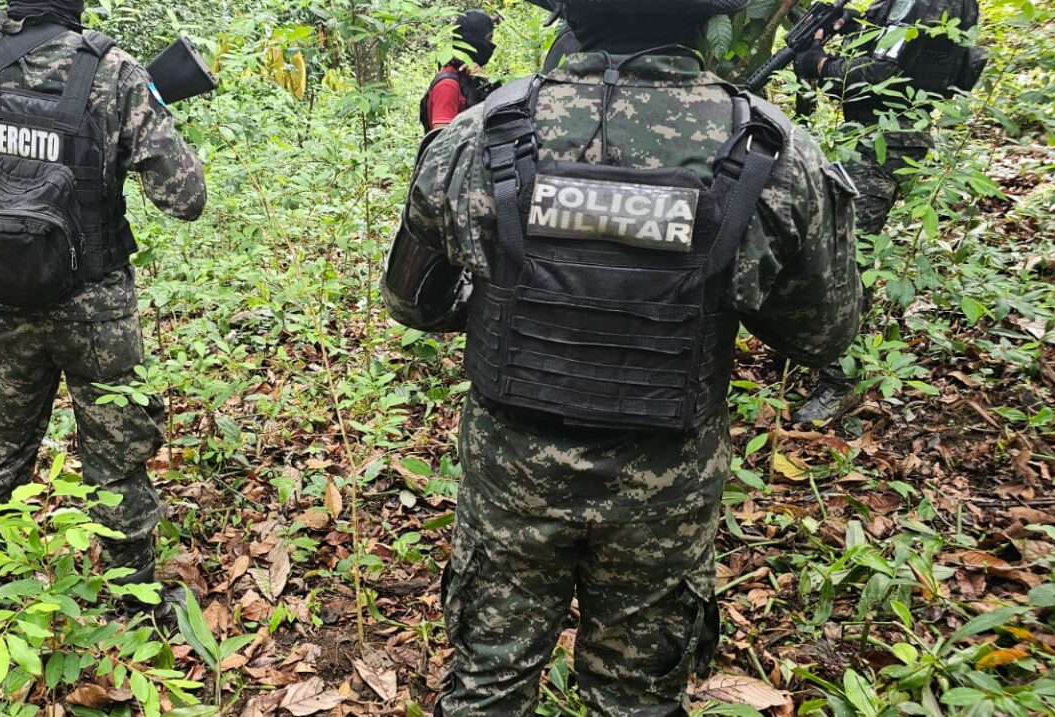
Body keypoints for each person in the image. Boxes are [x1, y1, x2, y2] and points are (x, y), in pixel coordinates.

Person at [383, 0, 862, 714]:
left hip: (511, 475)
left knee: (487, 690)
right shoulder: (772, 150)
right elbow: (822, 335)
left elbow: (411, 301)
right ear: (708, 19)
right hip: (665, 484)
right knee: (637, 699)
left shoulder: (475, 138)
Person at [0, 0, 206, 617]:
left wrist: (1, 223)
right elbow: (184, 197)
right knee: (117, 452)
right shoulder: (113, 69)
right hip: (95, 303)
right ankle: (133, 602)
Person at [791, 0, 982, 423]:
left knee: (849, 259)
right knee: (829, 246)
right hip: (864, 137)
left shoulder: (937, 2)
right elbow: (892, 42)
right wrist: (850, 22)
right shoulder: (900, 4)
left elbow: (886, 73)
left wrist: (820, 64)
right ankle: (821, 352)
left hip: (888, 142)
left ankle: (838, 383)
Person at [420, 10, 498, 131]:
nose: (492, 44)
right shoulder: (448, 85)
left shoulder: (472, 76)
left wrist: (487, 81)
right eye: (489, 38)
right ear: (475, 40)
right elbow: (441, 142)